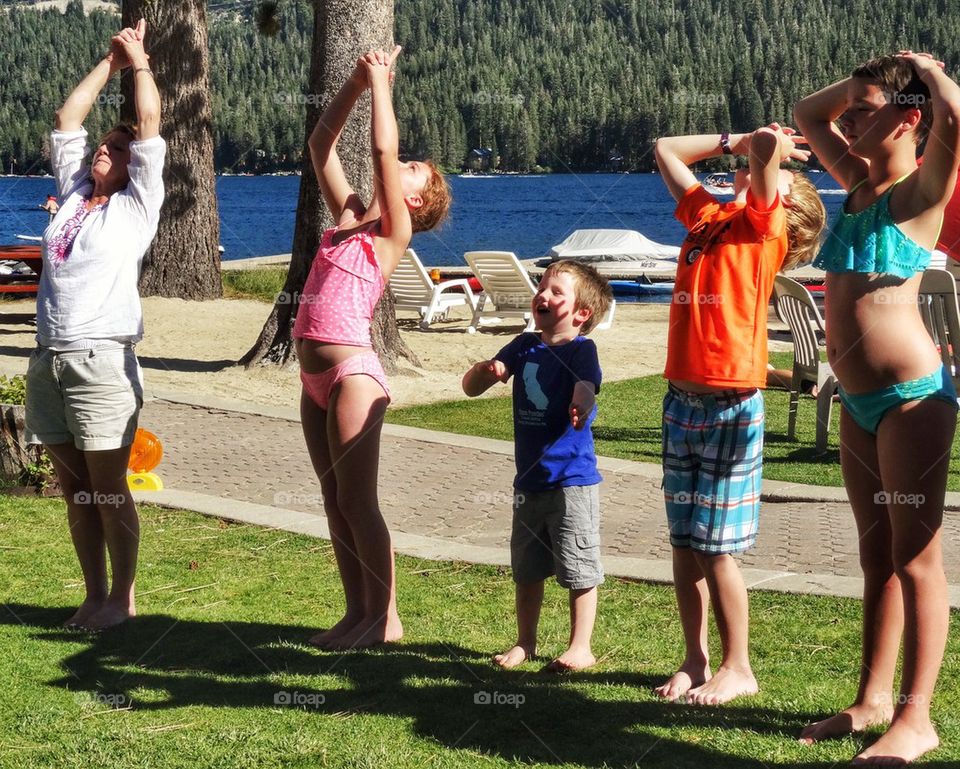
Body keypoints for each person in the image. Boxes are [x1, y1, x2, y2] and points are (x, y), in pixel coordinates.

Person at [794, 52, 960, 764]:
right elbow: (807, 113)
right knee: (874, 555)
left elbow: (954, 118)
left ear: (909, 120)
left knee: (915, 556)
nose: (848, 120)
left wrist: (923, 78)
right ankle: (872, 699)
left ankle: (917, 717)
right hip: (857, 402)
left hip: (911, 399)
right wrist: (876, 79)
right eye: (852, 110)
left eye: (865, 111)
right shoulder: (855, 186)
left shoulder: (921, 193)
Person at [652, 125, 825, 706]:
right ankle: (695, 660)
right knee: (684, 542)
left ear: (784, 208)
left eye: (757, 173)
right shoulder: (707, 217)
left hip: (729, 405)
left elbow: (766, 165)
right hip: (681, 400)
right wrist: (734, 139)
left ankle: (739, 666)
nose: (743, 171)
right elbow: (667, 150)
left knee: (717, 546)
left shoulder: (762, 228)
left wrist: (763, 148)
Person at [295, 46, 451, 650]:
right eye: (409, 163)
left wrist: (382, 83)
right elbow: (319, 146)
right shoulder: (349, 218)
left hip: (353, 376)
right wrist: (357, 85)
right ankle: (356, 611)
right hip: (315, 381)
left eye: (415, 170)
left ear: (415, 201)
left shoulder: (393, 232)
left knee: (359, 501)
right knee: (334, 500)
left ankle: (386, 619)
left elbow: (382, 149)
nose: (400, 164)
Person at [24, 20, 164, 631]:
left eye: (117, 145)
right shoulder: (76, 194)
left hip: (101, 359)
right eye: (103, 143)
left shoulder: (137, 206)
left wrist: (139, 65)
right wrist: (109, 60)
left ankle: (123, 599)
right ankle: (93, 593)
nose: (103, 148)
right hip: (49, 357)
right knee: (74, 488)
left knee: (108, 488)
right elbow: (67, 116)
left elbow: (151, 124)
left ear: (135, 164)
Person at [461, 261, 612, 672]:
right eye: (542, 286)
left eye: (556, 291)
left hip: (572, 482)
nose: (543, 295)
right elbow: (472, 390)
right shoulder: (523, 345)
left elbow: (587, 385)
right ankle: (525, 642)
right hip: (528, 481)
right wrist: (483, 372)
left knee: (579, 567)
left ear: (581, 313)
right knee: (527, 567)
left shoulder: (582, 350)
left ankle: (580, 647)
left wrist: (582, 402)